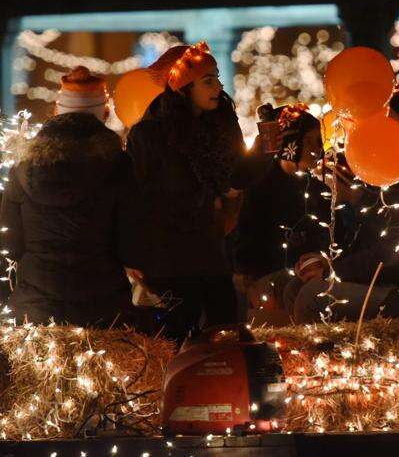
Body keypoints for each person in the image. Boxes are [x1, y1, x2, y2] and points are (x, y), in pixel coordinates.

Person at [288, 84, 399, 323]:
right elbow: (373, 240)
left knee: (312, 297)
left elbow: (395, 256)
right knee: (293, 286)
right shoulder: (395, 172)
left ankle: (322, 347)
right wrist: (327, 262)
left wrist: (331, 271)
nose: (378, 128)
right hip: (396, 283)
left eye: (388, 121)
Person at [126, 42, 249, 341]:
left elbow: (236, 180)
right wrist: (132, 253)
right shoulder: (149, 135)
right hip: (169, 260)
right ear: (182, 87)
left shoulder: (222, 126)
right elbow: (135, 197)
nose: (218, 87)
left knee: (225, 336)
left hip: (212, 254)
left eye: (217, 78)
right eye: (208, 81)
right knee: (176, 340)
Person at [1, 67, 140, 326]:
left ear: (57, 111)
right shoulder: (119, 165)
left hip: (36, 310)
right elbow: (131, 247)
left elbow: (8, 244)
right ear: (104, 113)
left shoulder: (23, 166)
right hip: (103, 310)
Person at [230, 103, 327, 323]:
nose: (317, 149)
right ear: (292, 142)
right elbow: (246, 240)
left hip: (305, 281)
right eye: (310, 141)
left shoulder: (319, 191)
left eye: (318, 141)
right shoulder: (259, 187)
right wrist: (252, 279)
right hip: (266, 286)